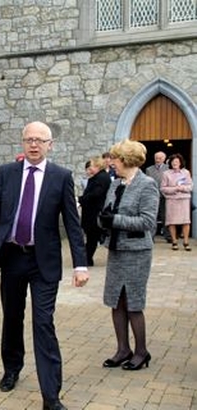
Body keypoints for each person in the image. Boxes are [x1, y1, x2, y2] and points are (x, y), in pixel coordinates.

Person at [0, 121, 89, 410]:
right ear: (22, 142)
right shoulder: (6, 173)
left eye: (40, 140)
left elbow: (73, 225)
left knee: (43, 323)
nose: (34, 145)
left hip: (45, 262)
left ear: (50, 144)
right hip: (12, 257)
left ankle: (50, 396)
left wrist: (80, 265)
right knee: (12, 317)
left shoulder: (61, 177)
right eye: (29, 139)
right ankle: (12, 367)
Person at [98, 139, 158, 372]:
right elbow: (107, 213)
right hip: (116, 250)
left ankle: (141, 351)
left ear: (126, 160)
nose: (110, 163)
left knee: (133, 303)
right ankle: (123, 349)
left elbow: (148, 221)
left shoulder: (147, 184)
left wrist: (115, 220)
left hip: (137, 253)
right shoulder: (115, 184)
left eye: (114, 158)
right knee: (116, 301)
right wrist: (102, 220)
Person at [78, 156, 111, 266]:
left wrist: (81, 199)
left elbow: (96, 194)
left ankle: (87, 258)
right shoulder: (100, 177)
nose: (89, 169)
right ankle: (88, 258)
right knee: (91, 237)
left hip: (94, 212)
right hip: (92, 211)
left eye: (91, 166)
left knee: (92, 237)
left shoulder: (101, 178)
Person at [161, 153, 193, 251]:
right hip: (172, 200)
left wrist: (182, 188)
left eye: (177, 162)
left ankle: (186, 242)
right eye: (173, 162)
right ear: (170, 163)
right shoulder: (166, 173)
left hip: (184, 200)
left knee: (185, 221)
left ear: (180, 163)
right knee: (172, 221)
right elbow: (163, 188)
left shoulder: (186, 172)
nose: (175, 163)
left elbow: (190, 186)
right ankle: (174, 241)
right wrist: (174, 189)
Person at [145, 151, 171, 242]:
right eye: (156, 158)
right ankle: (151, 237)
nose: (158, 160)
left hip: (165, 196)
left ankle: (168, 236)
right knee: (153, 216)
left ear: (164, 159)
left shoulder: (168, 169)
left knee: (165, 216)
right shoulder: (149, 169)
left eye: (160, 158)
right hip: (153, 196)